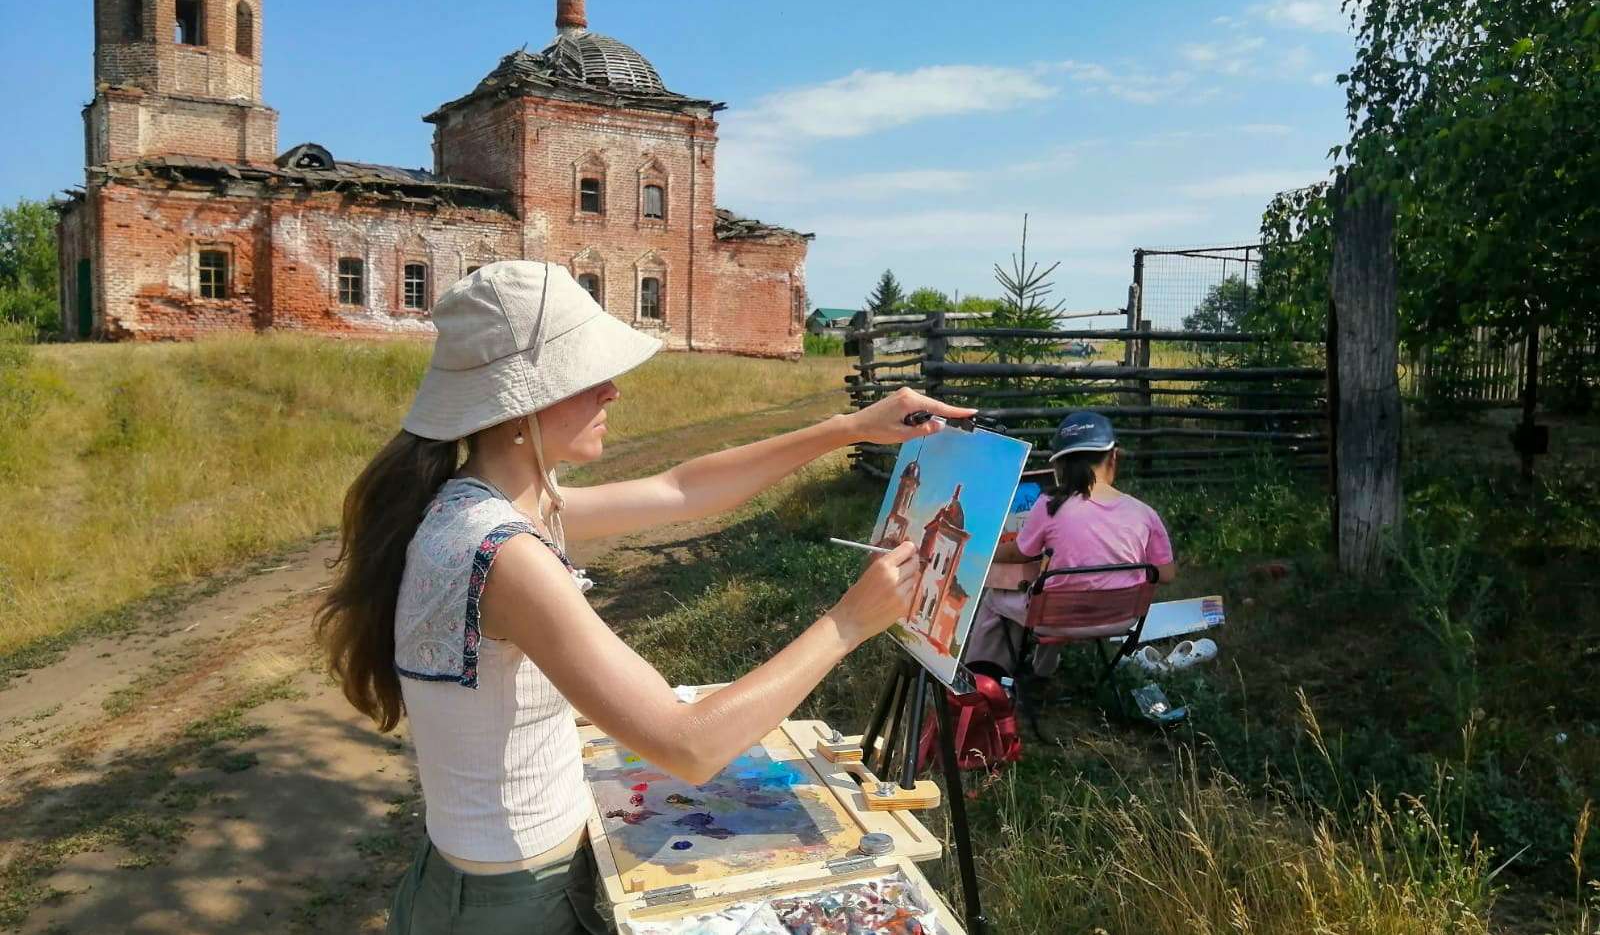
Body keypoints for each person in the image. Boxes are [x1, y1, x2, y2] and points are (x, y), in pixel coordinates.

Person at [314, 261, 974, 935]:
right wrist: (848, 621)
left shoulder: (476, 502)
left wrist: (846, 428)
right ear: (519, 403)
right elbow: (687, 744)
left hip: (480, 888)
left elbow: (681, 490)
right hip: (515, 907)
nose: (612, 391)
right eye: (584, 375)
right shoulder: (508, 554)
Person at [964, 412, 1176, 677]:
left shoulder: (1050, 506)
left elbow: (1021, 553)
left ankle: (984, 676)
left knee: (999, 597)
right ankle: (1043, 668)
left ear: (1060, 466)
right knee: (1056, 589)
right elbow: (1166, 574)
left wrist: (984, 551)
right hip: (1120, 619)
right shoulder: (1144, 513)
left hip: (1055, 621)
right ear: (1113, 457)